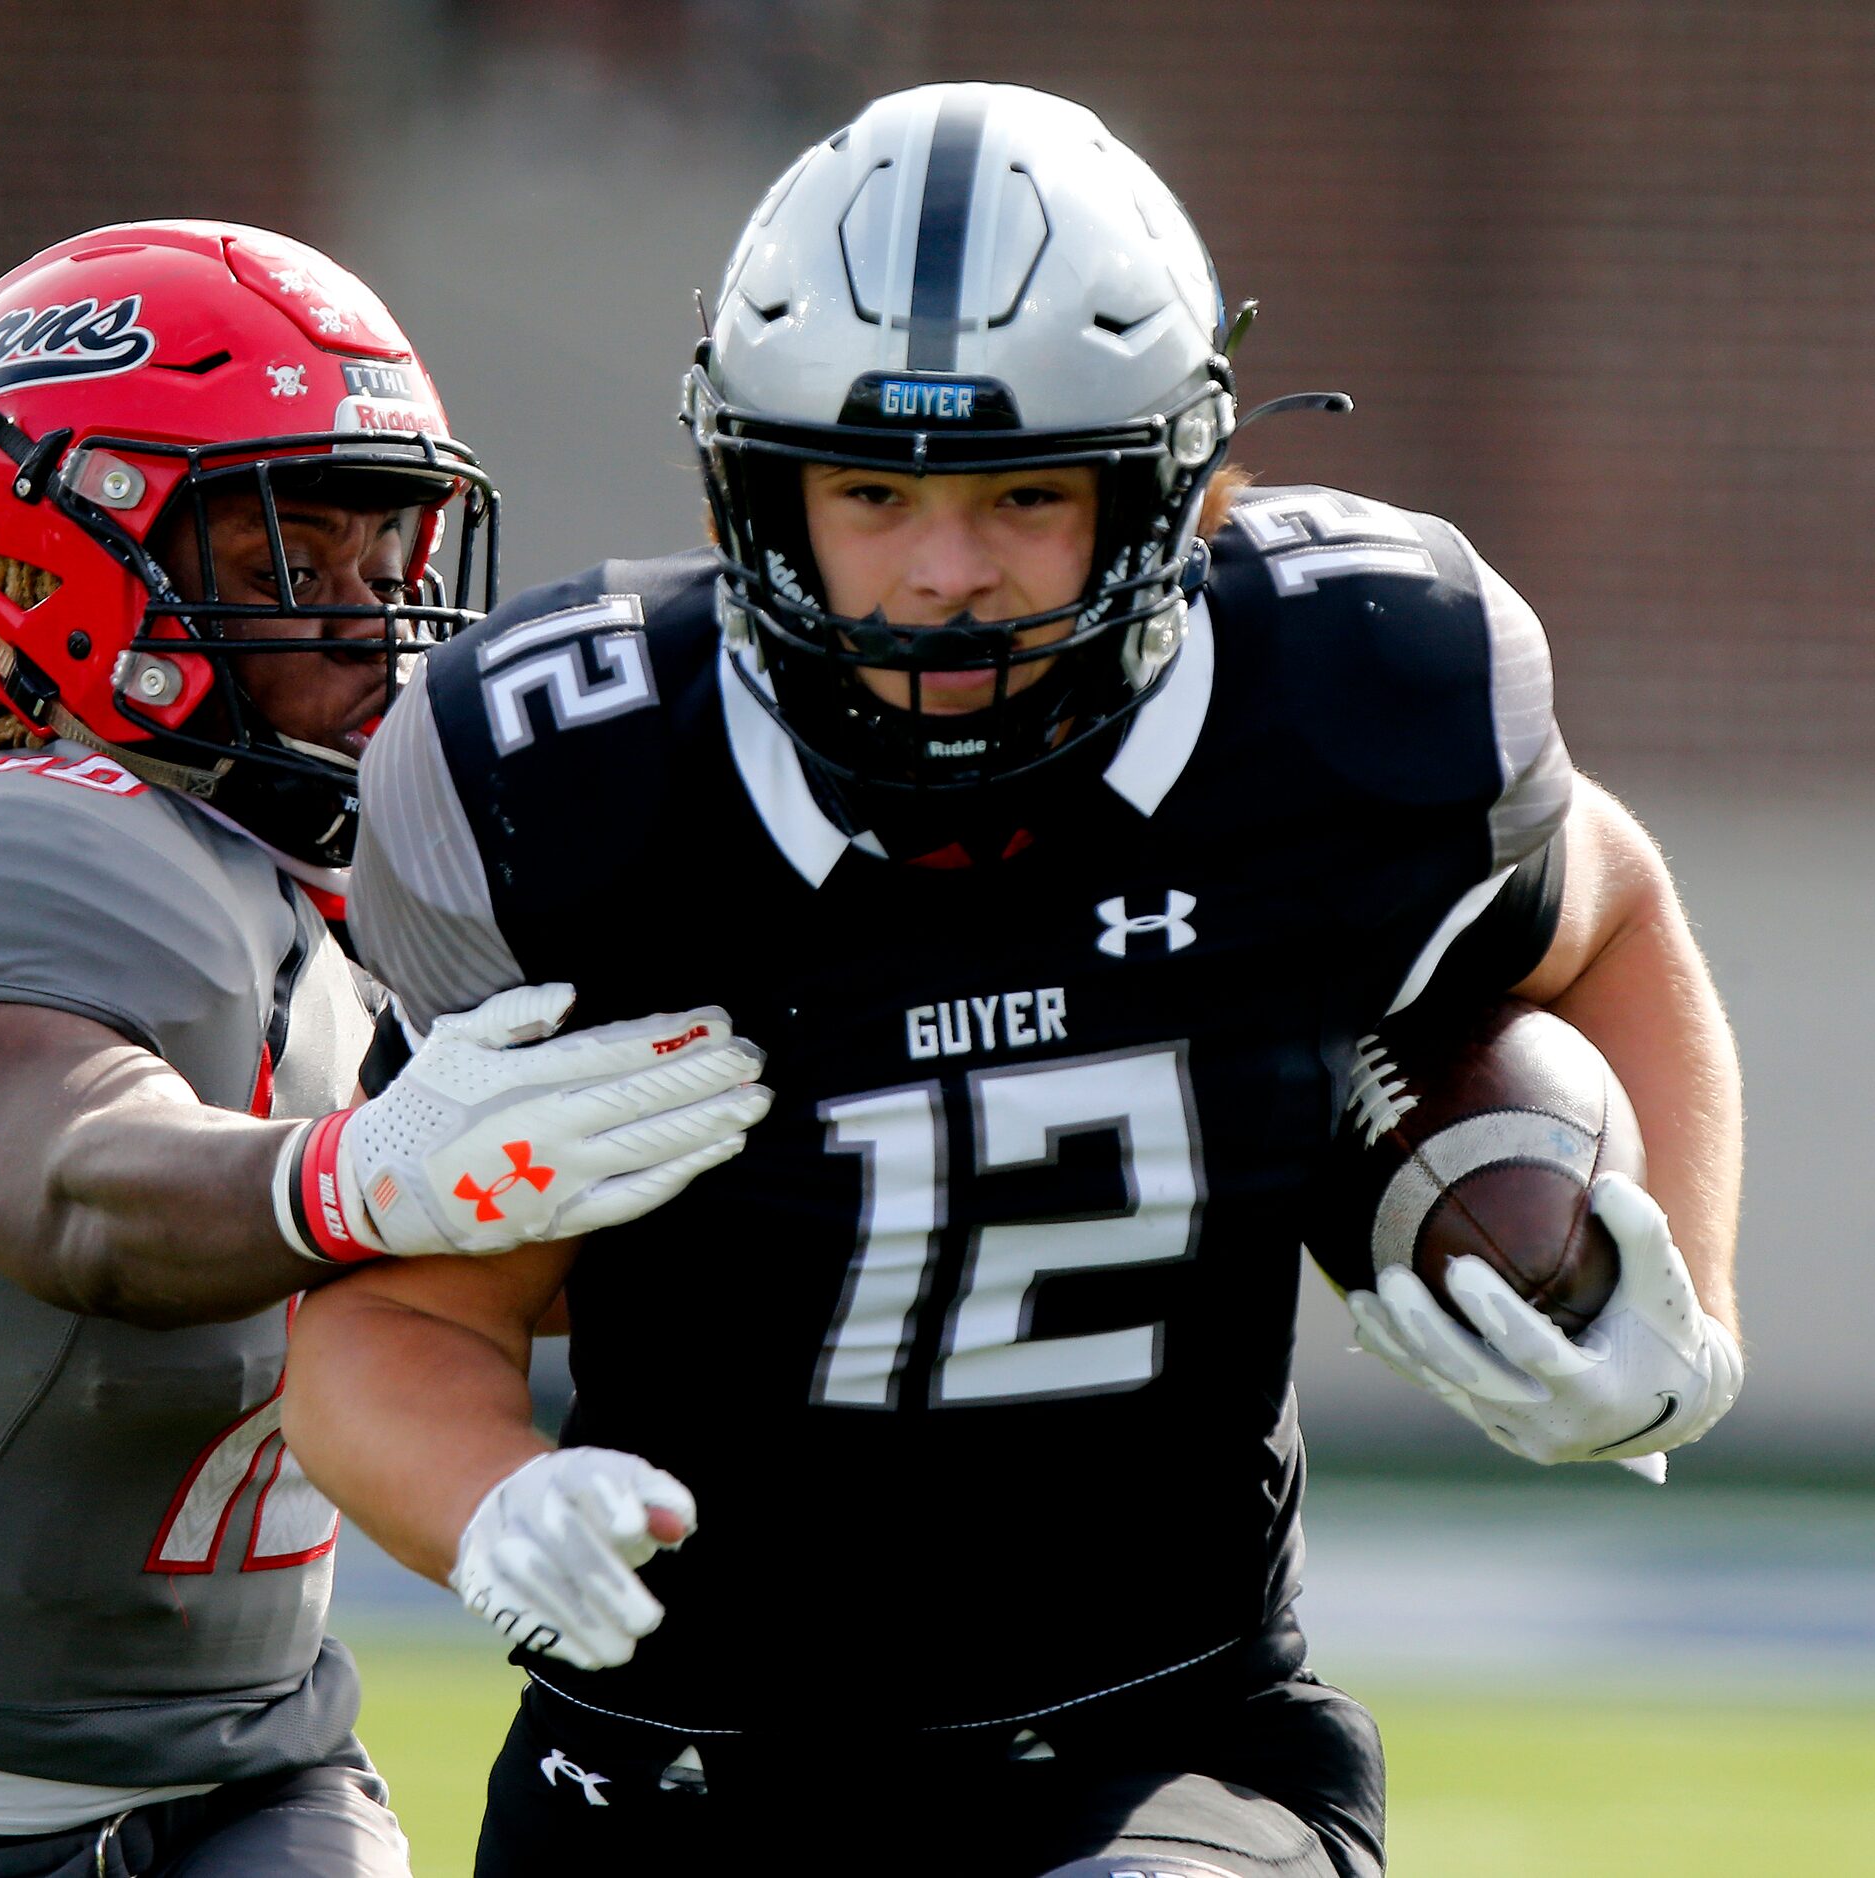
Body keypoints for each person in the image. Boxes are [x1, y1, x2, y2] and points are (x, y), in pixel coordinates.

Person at [282, 86, 1745, 1877]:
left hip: (1168, 1738)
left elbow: (1610, 910)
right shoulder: (576, 784)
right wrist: (490, 1496)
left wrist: (1686, 1314)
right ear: (759, 485)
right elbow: (397, 1320)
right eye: (873, 491)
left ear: (1172, 491)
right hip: (687, 1768)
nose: (943, 571)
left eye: (1026, 495)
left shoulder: (1350, 696)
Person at [0, 220, 768, 1878]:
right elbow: (68, 1180)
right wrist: (365, 1171)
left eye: (391, 560)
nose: (377, 622)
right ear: (50, 551)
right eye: (298, 556)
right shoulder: (22, 828)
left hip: (255, 1774)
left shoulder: (325, 877)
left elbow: (541, 1219)